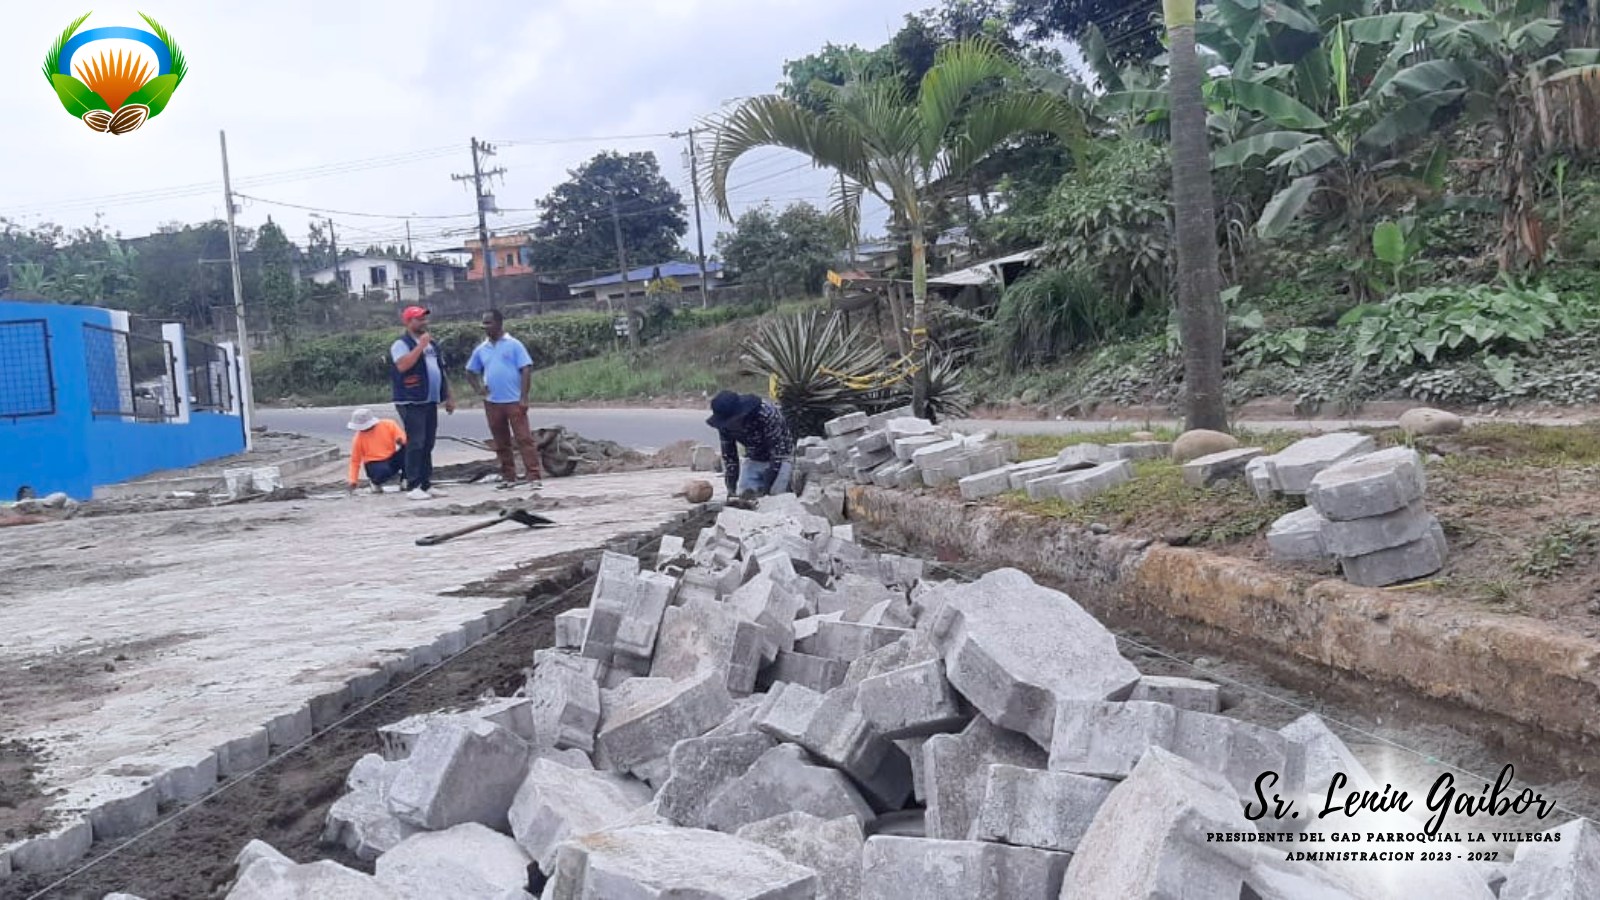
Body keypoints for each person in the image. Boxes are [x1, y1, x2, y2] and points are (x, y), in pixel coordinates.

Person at [465, 309, 543, 490]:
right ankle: (509, 477)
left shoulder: (514, 345)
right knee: (501, 442)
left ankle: (534, 476)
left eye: (489, 323)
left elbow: (526, 369)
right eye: (484, 323)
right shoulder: (482, 349)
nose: (485, 327)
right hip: (492, 401)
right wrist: (479, 389)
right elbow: (470, 371)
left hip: (514, 400)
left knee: (524, 439)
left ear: (499, 323)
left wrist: (524, 396)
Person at [390, 305, 454, 500]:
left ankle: (426, 483)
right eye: (419, 319)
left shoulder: (432, 344)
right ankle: (413, 484)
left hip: (430, 399)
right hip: (411, 399)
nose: (424, 322)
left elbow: (441, 369)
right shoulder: (401, 344)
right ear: (408, 322)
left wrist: (449, 395)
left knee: (428, 442)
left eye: (425, 319)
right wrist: (420, 346)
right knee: (416, 442)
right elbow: (403, 365)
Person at [706, 390, 794, 499]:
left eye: (733, 422)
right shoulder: (724, 426)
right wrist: (731, 489)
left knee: (777, 498)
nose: (731, 426)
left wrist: (766, 490)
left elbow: (778, 452)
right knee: (745, 497)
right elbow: (730, 457)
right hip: (754, 458)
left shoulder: (766, 413)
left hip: (781, 458)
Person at [345, 408, 407, 494]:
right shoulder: (358, 439)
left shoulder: (389, 424)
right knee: (383, 470)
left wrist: (401, 441)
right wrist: (353, 481)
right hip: (374, 463)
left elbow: (403, 438)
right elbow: (355, 461)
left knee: (409, 452)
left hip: (391, 457)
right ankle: (375, 483)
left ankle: (405, 479)